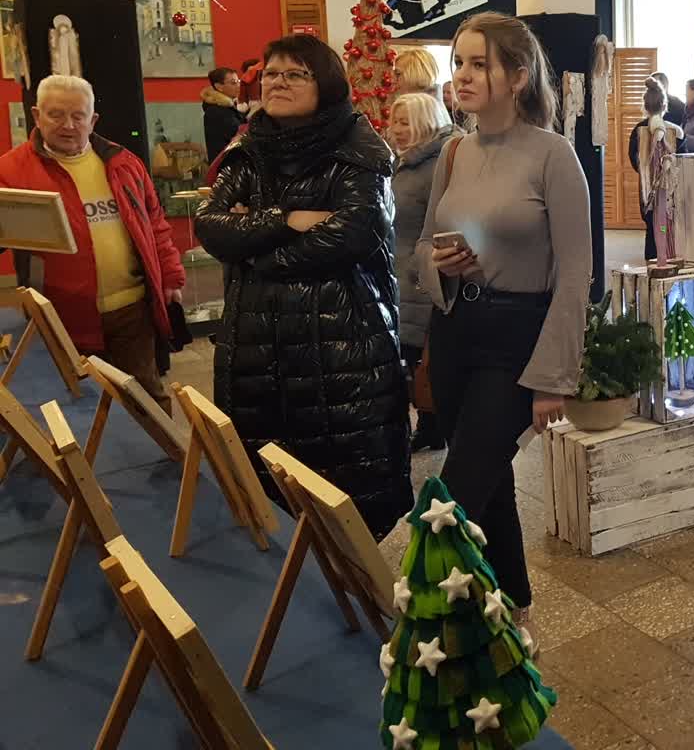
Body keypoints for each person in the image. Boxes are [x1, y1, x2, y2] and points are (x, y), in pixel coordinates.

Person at [416, 11, 590, 649]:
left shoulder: (553, 155)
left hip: (516, 338)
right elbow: (422, 247)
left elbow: (575, 273)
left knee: (454, 496)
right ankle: (515, 609)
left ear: (517, 76)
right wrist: (440, 264)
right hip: (456, 328)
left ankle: (423, 622)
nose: (461, 76)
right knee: (493, 484)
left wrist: (553, 378)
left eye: (478, 64)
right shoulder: (454, 152)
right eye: (458, 63)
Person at [195, 34, 412, 538]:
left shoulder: (360, 151)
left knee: (349, 498)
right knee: (268, 492)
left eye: (295, 74)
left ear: (326, 84)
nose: (278, 83)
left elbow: (351, 233)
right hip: (255, 350)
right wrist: (288, 218)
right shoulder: (247, 151)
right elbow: (210, 226)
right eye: (272, 73)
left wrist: (253, 248)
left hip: (342, 347)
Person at [0, 75, 185, 412]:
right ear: (37, 115)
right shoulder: (10, 170)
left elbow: (156, 224)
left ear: (93, 119)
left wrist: (171, 275)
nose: (68, 125)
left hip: (132, 311)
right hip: (61, 315)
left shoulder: (124, 162)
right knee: (80, 406)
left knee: (148, 400)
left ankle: (162, 449)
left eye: (78, 115)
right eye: (56, 115)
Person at [389, 92, 458, 452]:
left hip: (420, 277)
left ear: (425, 122)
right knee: (413, 358)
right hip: (400, 272)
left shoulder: (434, 166)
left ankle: (433, 425)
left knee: (424, 359)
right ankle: (427, 427)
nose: (396, 129)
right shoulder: (404, 162)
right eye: (395, 121)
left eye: (405, 122)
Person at [629, 77, 685, 262]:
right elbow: (683, 161)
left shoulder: (638, 130)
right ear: (665, 105)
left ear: (645, 106)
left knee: (651, 229)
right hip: (672, 192)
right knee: (669, 228)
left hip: (647, 190)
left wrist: (647, 172)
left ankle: (652, 265)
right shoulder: (677, 132)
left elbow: (634, 160)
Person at [201, 67, 248, 162]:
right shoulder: (215, 111)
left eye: (238, 81)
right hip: (226, 165)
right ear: (219, 87)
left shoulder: (229, 107)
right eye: (233, 83)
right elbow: (239, 134)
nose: (238, 85)